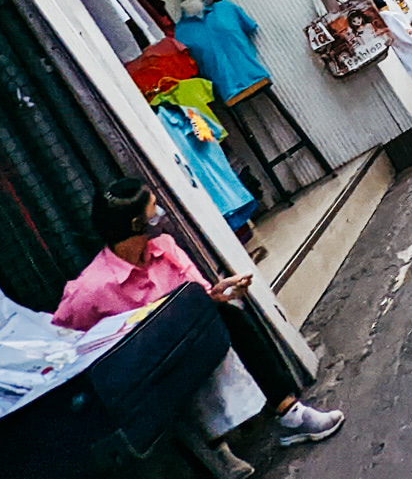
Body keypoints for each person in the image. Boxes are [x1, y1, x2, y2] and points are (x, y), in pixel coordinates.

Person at [54, 178, 345, 446]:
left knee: (231, 316)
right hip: (150, 370)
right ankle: (221, 448)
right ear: (136, 223)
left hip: (191, 344)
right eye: (154, 207)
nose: (160, 212)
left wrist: (220, 292)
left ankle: (290, 412)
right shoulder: (90, 290)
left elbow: (202, 297)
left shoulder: (164, 248)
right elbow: (66, 339)